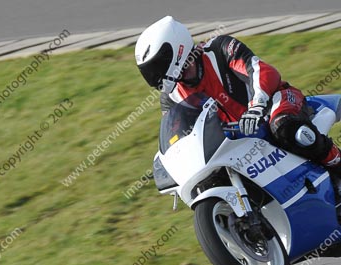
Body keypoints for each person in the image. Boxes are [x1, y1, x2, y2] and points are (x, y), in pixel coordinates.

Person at [135, 16, 341, 170]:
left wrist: (257, 104)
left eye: (158, 66)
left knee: (284, 126)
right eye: (150, 71)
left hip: (274, 103)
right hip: (237, 140)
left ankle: (335, 161)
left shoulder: (218, 49)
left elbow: (259, 70)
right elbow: (177, 138)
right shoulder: (171, 98)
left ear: (176, 51)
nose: (155, 76)